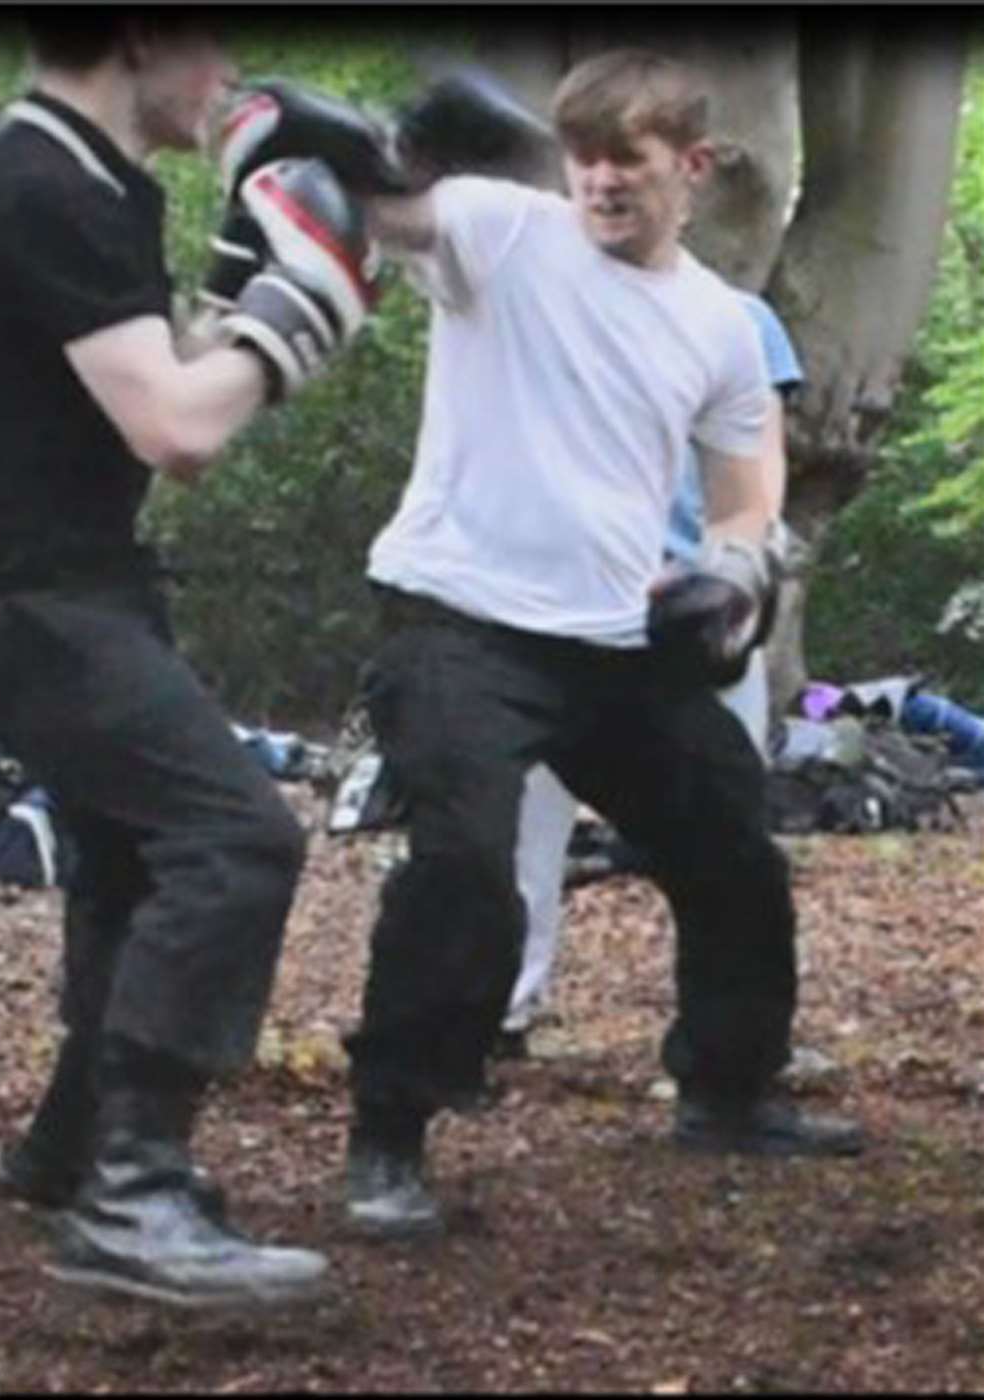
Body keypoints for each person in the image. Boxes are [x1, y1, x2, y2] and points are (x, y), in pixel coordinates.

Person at [333, 46, 864, 1238]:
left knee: (733, 850)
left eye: (627, 158)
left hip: (616, 634)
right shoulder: (502, 230)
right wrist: (366, 147)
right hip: (458, 614)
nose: (601, 182)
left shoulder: (724, 326)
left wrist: (735, 567)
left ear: (695, 164)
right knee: (463, 865)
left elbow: (743, 494)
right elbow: (392, 209)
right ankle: (390, 1132)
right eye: (583, 157)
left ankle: (728, 1087)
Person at [0, 9, 381, 1309]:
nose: (224, 73)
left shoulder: (85, 181)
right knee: (235, 840)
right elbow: (175, 424)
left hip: (60, 580)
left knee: (130, 852)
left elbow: (144, 390)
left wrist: (244, 308)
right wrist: (287, 322)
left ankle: (71, 1153)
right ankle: (133, 1195)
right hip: (16, 595)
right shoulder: (37, 181)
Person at [499, 291, 804, 1055]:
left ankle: (732, 1053)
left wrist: (739, 576)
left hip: (698, 611)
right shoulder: (542, 301)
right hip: (558, 609)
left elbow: (762, 466)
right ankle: (492, 1015)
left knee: (730, 836)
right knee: (513, 832)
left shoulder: (740, 320)